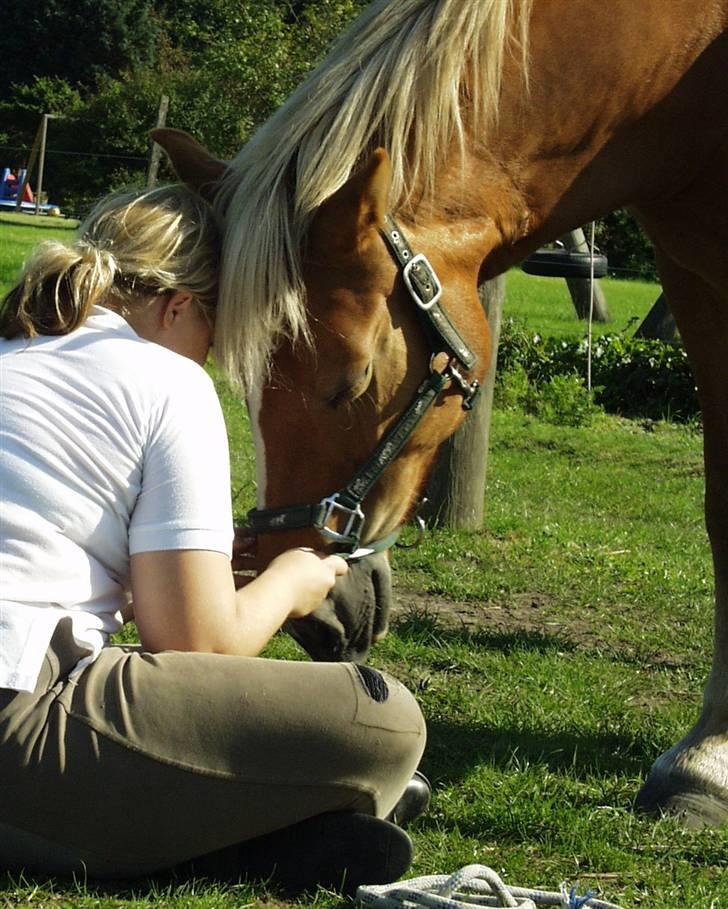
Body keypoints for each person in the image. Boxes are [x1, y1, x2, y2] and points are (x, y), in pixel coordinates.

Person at [0, 185, 427, 894]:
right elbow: (196, 641)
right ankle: (240, 839)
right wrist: (290, 580)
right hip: (17, 718)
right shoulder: (167, 379)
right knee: (386, 719)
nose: (209, 362)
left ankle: (241, 835)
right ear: (178, 307)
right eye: (214, 337)